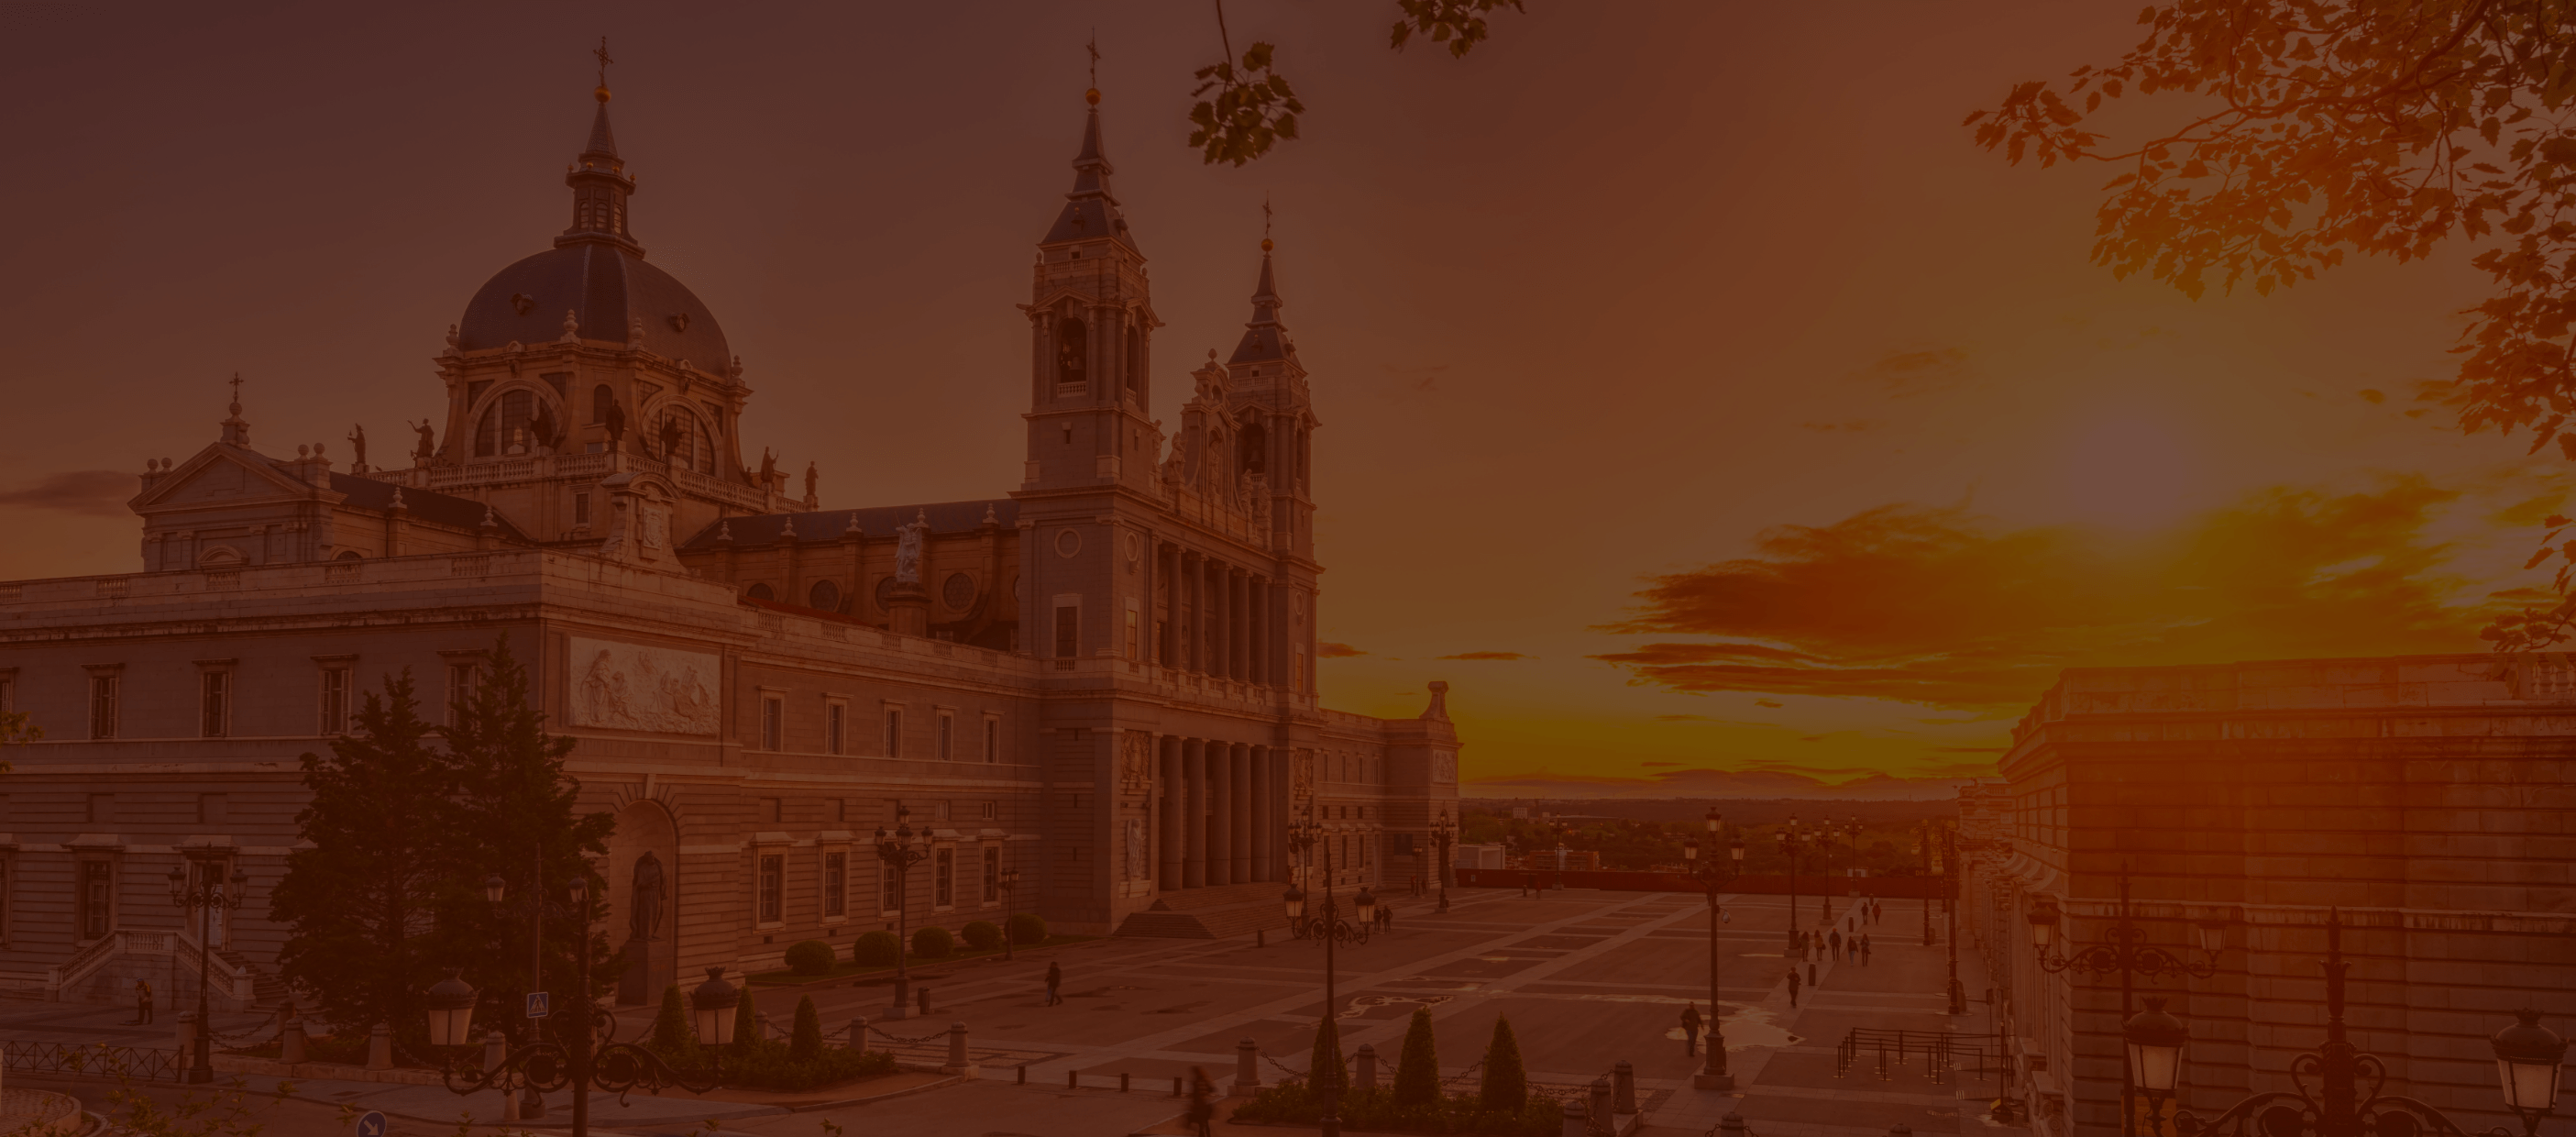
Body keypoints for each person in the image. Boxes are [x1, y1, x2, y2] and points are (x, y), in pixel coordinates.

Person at [1186, 1065, 1216, 1137]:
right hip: (1207, 1105)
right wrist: (1206, 1094)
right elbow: (1212, 1089)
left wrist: (1191, 1098)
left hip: (1199, 1106)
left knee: (1201, 1123)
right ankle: (1207, 1135)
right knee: (1205, 1122)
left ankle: (1202, 1134)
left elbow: (1195, 1093)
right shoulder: (1206, 1080)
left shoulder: (1196, 1082)